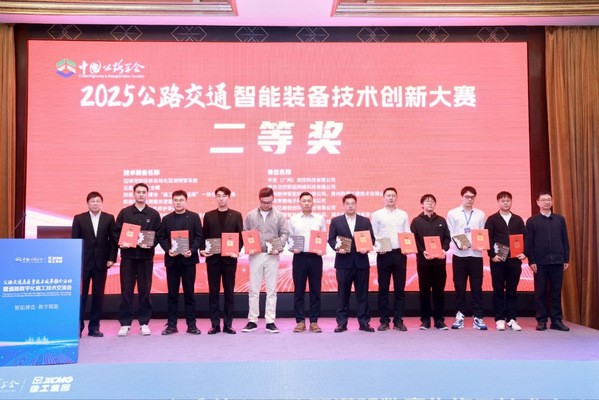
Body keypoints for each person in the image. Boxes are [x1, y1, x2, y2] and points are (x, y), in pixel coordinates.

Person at [113, 183, 161, 337]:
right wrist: (121, 242)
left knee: (145, 291)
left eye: (143, 192)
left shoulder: (153, 214)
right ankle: (125, 324)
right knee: (126, 290)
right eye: (138, 192)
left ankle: (144, 323)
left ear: (147, 194)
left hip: (146, 258)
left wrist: (151, 243)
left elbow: (159, 234)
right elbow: (116, 233)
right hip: (128, 258)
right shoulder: (125, 212)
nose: (141, 194)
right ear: (133, 194)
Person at [242, 187, 289, 333]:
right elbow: (245, 233)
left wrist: (278, 246)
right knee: (253, 289)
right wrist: (249, 247)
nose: (267, 205)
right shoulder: (250, 215)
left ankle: (270, 321)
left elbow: (285, 233)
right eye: (264, 202)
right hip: (255, 255)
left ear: (273, 199)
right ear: (259, 199)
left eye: (269, 202)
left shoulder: (279, 216)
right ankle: (252, 320)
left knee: (271, 290)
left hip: (272, 256)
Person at [71, 191, 118, 338]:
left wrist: (111, 258)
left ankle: (94, 327)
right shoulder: (79, 218)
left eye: (98, 201)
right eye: (92, 201)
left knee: (98, 296)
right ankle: (78, 327)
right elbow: (74, 241)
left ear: (102, 203)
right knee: (81, 296)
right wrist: (75, 260)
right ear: (88, 203)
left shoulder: (109, 218)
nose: (95, 204)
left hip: (101, 263)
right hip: (83, 263)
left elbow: (113, 241)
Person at [157, 190, 203, 335]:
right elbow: (161, 237)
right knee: (172, 294)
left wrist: (192, 250)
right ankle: (172, 325)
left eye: (181, 200)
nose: (178, 203)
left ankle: (192, 325)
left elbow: (199, 236)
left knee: (189, 294)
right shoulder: (166, 219)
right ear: (172, 201)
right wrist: (168, 249)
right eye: (176, 200)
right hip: (172, 261)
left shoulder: (194, 217)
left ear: (186, 201)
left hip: (188, 261)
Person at [328, 193, 375, 333]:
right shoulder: (336, 221)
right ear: (343, 205)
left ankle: (364, 322)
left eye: (353, 203)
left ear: (356, 205)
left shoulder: (365, 221)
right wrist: (337, 248)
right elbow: (331, 239)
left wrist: (367, 248)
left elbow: (371, 239)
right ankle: (341, 323)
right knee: (343, 294)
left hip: (361, 262)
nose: (350, 206)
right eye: (347, 204)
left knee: (362, 294)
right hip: (343, 263)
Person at [525, 191, 570, 332]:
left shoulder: (560, 220)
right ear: (538, 202)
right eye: (543, 200)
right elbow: (529, 243)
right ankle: (542, 320)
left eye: (549, 199)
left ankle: (556, 320)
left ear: (552, 201)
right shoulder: (532, 221)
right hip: (540, 262)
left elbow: (565, 240)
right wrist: (531, 260)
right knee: (541, 292)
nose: (546, 202)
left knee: (556, 292)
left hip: (557, 261)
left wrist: (566, 258)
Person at [201, 186, 243, 335]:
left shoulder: (236, 215)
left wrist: (236, 250)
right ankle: (214, 325)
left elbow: (240, 237)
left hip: (229, 260)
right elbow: (204, 236)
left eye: (224, 196)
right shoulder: (209, 215)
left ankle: (228, 324)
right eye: (218, 196)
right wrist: (202, 249)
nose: (221, 198)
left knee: (229, 293)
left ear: (229, 198)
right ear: (215, 198)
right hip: (213, 259)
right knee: (213, 292)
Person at [446, 186, 488, 330]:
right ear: (461, 197)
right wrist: (459, 244)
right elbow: (450, 232)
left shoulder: (480, 214)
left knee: (477, 287)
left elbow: (482, 232)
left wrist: (482, 244)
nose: (469, 199)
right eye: (467, 197)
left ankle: (478, 317)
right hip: (459, 255)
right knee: (460, 287)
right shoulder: (453, 213)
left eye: (472, 197)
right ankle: (460, 316)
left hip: (476, 255)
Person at [484, 191, 526, 331]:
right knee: (498, 290)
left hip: (514, 260)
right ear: (498, 202)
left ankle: (512, 319)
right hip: (498, 260)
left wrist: (524, 253)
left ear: (511, 202)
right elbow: (488, 238)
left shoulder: (517, 219)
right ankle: (500, 319)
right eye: (503, 200)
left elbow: (525, 237)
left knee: (512, 290)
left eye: (508, 200)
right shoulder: (492, 219)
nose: (506, 203)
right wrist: (491, 255)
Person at [371, 187, 411, 332]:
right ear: (383, 198)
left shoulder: (403, 214)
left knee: (400, 289)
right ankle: (384, 321)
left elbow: (407, 233)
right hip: (384, 254)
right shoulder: (377, 214)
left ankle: (398, 321)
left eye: (393, 195)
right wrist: (378, 247)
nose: (390, 198)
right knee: (383, 289)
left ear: (396, 197)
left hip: (400, 254)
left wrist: (408, 246)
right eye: (388, 195)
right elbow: (373, 234)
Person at [410, 194, 451, 330]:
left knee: (439, 292)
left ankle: (439, 320)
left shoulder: (441, 220)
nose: (430, 204)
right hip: (423, 262)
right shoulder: (416, 221)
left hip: (439, 262)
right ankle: (425, 320)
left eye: (432, 202)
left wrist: (444, 249)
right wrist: (422, 251)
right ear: (422, 205)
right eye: (427, 202)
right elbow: (414, 239)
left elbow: (447, 238)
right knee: (424, 292)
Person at [288, 192, 326, 333]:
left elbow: (323, 236)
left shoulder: (320, 219)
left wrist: (321, 249)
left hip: (315, 258)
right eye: (304, 201)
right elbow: (290, 237)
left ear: (313, 202)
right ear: (299, 203)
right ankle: (300, 321)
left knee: (315, 291)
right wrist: (292, 248)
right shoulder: (293, 219)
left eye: (309, 200)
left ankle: (314, 321)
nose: (306, 203)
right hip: (300, 258)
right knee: (299, 291)